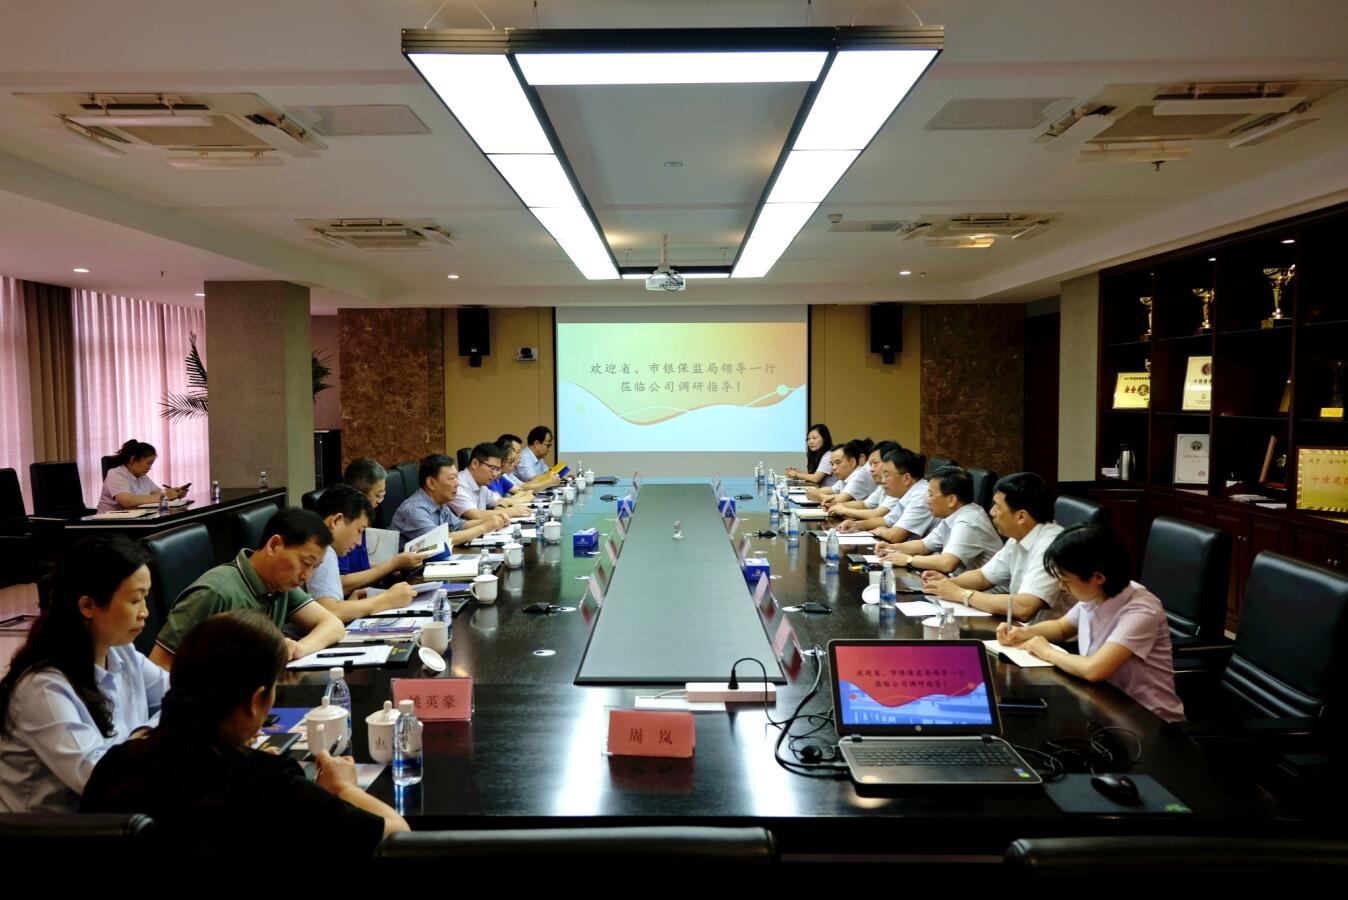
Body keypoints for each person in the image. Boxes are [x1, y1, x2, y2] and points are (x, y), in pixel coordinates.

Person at [82, 610, 408, 861]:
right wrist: (345, 788)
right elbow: (397, 837)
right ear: (256, 701)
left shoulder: (116, 766)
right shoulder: (271, 784)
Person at [0, 536, 169, 812]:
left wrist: (144, 735)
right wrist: (155, 736)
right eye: (135, 600)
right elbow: (102, 781)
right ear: (88, 606)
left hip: (114, 812)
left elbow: (185, 697)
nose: (145, 613)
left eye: (145, 598)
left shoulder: (122, 652)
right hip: (58, 829)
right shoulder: (43, 687)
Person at [995, 525, 1184, 722]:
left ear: (1098, 577)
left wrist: (1046, 651)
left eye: (1066, 581)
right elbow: (1061, 627)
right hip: (1104, 707)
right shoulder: (1095, 595)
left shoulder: (1141, 611)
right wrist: (1022, 633)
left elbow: (1094, 669)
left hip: (1147, 720)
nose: (1061, 587)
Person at [148, 508, 346, 670]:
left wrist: (299, 648)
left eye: (314, 567)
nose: (306, 576)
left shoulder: (280, 585)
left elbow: (333, 625)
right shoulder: (215, 593)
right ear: (274, 545)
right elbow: (160, 665)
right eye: (305, 563)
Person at [921, 472, 1069, 624]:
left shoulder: (1050, 545)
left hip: (1046, 636)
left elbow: (1024, 607)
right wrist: (948, 583)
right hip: (1019, 629)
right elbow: (983, 577)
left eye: (998, 506)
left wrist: (960, 594)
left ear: (1021, 517)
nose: (992, 512)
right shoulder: (1019, 537)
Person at [306, 485, 417, 623]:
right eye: (359, 530)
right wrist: (387, 600)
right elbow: (330, 612)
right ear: (336, 521)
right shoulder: (324, 550)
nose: (359, 542)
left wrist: (350, 605)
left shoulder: (326, 549)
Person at [877, 466, 1002, 575]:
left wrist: (908, 560)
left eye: (931, 495)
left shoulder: (968, 521)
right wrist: (891, 547)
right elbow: (924, 545)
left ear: (951, 500)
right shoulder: (954, 514)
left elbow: (946, 563)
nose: (927, 500)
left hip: (984, 592)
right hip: (960, 584)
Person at [336, 458, 433, 593]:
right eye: (378, 495)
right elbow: (342, 583)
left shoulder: (360, 518)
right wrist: (391, 565)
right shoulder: (344, 526)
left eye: (383, 494)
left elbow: (359, 564)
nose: (379, 501)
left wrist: (392, 567)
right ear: (359, 494)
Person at [389, 453, 509, 549]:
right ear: (431, 483)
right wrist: (484, 527)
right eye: (452, 478)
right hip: (415, 571)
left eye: (457, 477)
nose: (457, 483)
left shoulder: (439, 503)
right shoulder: (414, 509)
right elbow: (439, 540)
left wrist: (494, 520)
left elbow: (460, 525)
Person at [841, 448, 933, 540]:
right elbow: (886, 521)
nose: (883, 480)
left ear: (906, 478)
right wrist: (857, 525)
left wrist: (882, 532)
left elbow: (895, 536)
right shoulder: (907, 494)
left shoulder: (921, 496)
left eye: (886, 475)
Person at [97, 439, 187, 512]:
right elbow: (127, 501)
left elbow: (157, 492)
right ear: (133, 459)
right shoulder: (116, 475)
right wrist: (165, 496)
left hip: (136, 520)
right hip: (111, 523)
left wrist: (175, 492)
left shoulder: (142, 476)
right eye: (148, 463)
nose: (150, 468)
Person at [452, 442, 535, 521]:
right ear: (475, 463)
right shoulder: (458, 485)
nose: (495, 474)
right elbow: (476, 515)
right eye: (492, 468)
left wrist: (501, 506)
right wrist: (513, 511)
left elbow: (498, 500)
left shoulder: (481, 484)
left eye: (498, 469)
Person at [829, 441, 899, 520]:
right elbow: (864, 504)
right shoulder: (882, 485)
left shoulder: (898, 487)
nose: (871, 469)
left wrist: (844, 510)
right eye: (870, 464)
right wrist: (839, 506)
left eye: (875, 463)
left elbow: (875, 514)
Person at [805, 439, 874, 503]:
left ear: (852, 462)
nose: (833, 468)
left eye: (838, 463)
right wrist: (814, 491)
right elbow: (832, 489)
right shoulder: (846, 476)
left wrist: (818, 496)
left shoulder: (860, 475)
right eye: (832, 464)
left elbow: (839, 500)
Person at [494, 433, 559, 493]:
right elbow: (523, 489)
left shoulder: (504, 474)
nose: (519, 456)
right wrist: (549, 482)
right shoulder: (499, 475)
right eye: (517, 452)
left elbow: (522, 486)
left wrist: (549, 477)